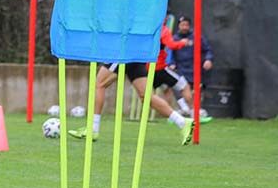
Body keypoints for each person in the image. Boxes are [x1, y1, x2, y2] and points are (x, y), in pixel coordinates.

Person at [67, 61, 195, 146]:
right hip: (136, 54)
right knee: (146, 96)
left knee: (99, 84)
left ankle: (93, 129)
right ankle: (182, 122)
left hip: (124, 50)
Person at [171, 15, 214, 88]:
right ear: (178, 26)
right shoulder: (174, 38)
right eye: (182, 25)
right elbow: (170, 54)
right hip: (180, 72)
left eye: (186, 25)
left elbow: (208, 50)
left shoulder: (197, 36)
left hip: (195, 72)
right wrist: (171, 64)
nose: (184, 27)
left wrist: (208, 59)